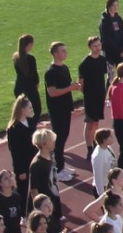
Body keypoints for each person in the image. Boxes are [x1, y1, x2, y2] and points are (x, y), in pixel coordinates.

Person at [42, 43, 77, 180]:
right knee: (58, 138)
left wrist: (73, 87)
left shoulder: (64, 68)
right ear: (56, 53)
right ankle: (58, 168)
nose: (65, 52)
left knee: (63, 136)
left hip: (66, 107)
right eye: (63, 51)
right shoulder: (51, 72)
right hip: (57, 109)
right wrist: (70, 88)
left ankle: (61, 165)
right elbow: (52, 92)